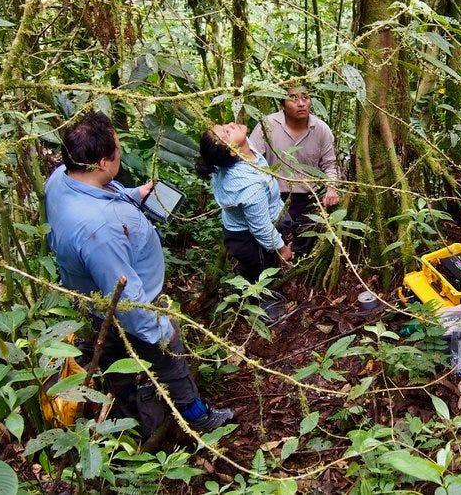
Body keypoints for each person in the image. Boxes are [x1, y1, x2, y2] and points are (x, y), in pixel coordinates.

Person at [45, 111, 232, 435]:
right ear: (103, 162)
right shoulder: (98, 229)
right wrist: (162, 331)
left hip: (93, 301)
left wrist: (133, 196)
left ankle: (127, 415)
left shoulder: (62, 177)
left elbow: (96, 200)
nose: (120, 152)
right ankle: (196, 416)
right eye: (117, 149)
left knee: (116, 361)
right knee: (169, 359)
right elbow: (126, 300)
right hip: (125, 307)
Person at [196, 122, 293, 285]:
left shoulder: (244, 151)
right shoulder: (249, 186)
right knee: (262, 277)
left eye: (223, 125)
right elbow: (261, 228)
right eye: (227, 132)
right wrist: (282, 249)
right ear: (232, 151)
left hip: (258, 222)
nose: (231, 125)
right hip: (250, 241)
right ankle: (265, 305)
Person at [250, 85, 339, 253]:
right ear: (282, 104)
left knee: (305, 247)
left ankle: (298, 271)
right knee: (271, 246)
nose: (301, 103)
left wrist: (331, 188)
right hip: (273, 196)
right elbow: (251, 160)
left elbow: (329, 164)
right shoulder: (267, 125)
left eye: (305, 98)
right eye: (293, 98)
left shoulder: (321, 129)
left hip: (308, 197)